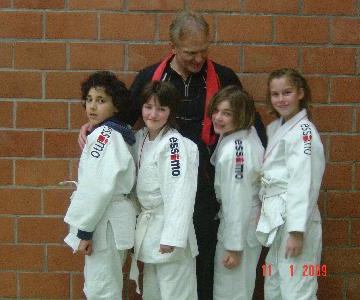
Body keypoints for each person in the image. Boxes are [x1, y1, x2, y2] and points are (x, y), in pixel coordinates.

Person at [78, 11, 267, 299]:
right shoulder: (149, 78)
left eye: (204, 50)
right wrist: (95, 126)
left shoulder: (224, 77)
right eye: (191, 52)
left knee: (203, 262)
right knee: (160, 273)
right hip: (162, 189)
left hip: (207, 186)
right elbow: (122, 119)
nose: (199, 59)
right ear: (173, 47)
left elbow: (251, 124)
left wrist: (259, 179)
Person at [63, 71, 137, 300]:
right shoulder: (113, 132)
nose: (92, 106)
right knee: (105, 286)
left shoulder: (105, 136)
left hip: (104, 224)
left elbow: (98, 188)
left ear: (116, 106)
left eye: (101, 100)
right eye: (90, 99)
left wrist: (85, 230)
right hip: (109, 220)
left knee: (101, 290)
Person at [256, 68, 325, 299]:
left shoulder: (304, 132)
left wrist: (297, 231)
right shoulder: (276, 128)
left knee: (297, 290)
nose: (281, 99)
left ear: (300, 93)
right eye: (275, 94)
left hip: (296, 222)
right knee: (274, 286)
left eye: (287, 92)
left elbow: (304, 182)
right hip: (277, 219)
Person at [130, 80, 199, 300]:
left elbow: (181, 193)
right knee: (153, 293)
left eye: (161, 108)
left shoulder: (174, 145)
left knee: (175, 294)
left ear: (171, 112)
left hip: (170, 235)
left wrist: (173, 237)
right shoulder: (140, 137)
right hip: (152, 232)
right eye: (148, 107)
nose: (153, 114)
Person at [208, 86, 264, 300]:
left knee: (230, 292)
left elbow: (236, 200)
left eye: (227, 113)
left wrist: (234, 246)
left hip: (239, 229)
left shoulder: (235, 151)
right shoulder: (243, 135)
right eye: (217, 110)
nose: (218, 118)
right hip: (244, 225)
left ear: (241, 116)